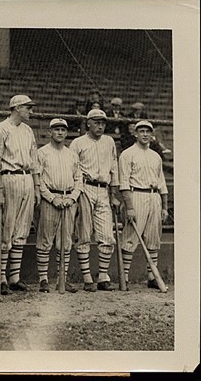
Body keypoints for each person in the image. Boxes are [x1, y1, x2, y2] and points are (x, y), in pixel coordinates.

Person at [0, 94, 41, 295]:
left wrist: (36, 187)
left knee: (22, 229)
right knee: (6, 229)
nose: (31, 111)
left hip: (26, 179)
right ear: (17, 108)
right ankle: (0, 278)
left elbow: (34, 161)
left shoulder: (28, 131)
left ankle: (14, 277)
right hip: (9, 179)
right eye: (28, 108)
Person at [69, 108, 120, 292]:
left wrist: (114, 194)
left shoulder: (109, 141)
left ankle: (102, 277)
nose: (100, 126)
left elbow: (114, 167)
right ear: (88, 123)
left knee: (107, 236)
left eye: (103, 123)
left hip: (104, 189)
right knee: (83, 234)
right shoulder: (77, 142)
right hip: (85, 187)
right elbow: (72, 169)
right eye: (97, 122)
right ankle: (87, 278)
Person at [118, 120, 169, 290]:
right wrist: (129, 206)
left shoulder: (155, 156)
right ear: (135, 133)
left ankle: (151, 277)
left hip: (154, 197)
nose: (145, 134)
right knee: (131, 237)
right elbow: (124, 182)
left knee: (153, 237)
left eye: (148, 131)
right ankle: (124, 277)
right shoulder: (127, 154)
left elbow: (162, 184)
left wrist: (164, 207)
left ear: (151, 134)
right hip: (136, 194)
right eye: (142, 131)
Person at [35, 118, 83, 294]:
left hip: (68, 198)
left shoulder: (72, 154)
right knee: (45, 240)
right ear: (50, 132)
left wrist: (72, 197)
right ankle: (43, 280)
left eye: (63, 129)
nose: (60, 133)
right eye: (56, 129)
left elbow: (79, 179)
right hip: (50, 199)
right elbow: (38, 179)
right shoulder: (42, 153)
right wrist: (50, 198)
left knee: (65, 242)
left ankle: (62, 279)